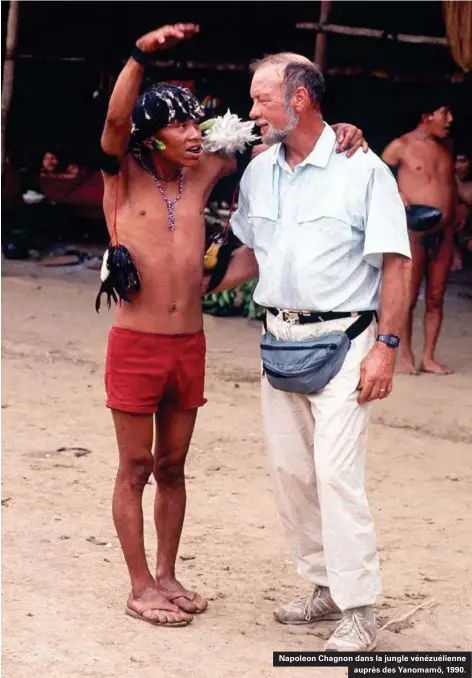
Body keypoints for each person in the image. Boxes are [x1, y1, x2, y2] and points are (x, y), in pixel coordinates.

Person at [99, 24, 367, 628]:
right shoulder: (123, 173)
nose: (195, 134)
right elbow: (117, 121)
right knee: (135, 468)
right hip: (135, 344)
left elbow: (285, 125)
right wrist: (139, 55)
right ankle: (139, 585)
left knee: (172, 468)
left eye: (199, 124)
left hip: (189, 345)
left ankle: (168, 576)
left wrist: (345, 130)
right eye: (181, 126)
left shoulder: (205, 170)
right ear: (151, 138)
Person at [211, 52, 412, 651]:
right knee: (292, 475)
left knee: (337, 475)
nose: (251, 111)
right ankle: (323, 587)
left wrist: (388, 347)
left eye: (261, 99)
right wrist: (190, 285)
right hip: (280, 341)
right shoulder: (258, 170)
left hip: (348, 343)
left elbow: (396, 264)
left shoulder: (364, 169)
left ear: (299, 99)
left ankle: (358, 610)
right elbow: (249, 254)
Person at [382, 98, 455, 375]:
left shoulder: (446, 147)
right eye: (444, 113)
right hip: (413, 231)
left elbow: (450, 184)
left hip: (444, 233)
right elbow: (377, 176)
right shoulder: (401, 146)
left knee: (436, 297)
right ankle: (405, 355)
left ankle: (428, 357)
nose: (450, 121)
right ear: (426, 115)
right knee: (408, 297)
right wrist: (395, 193)